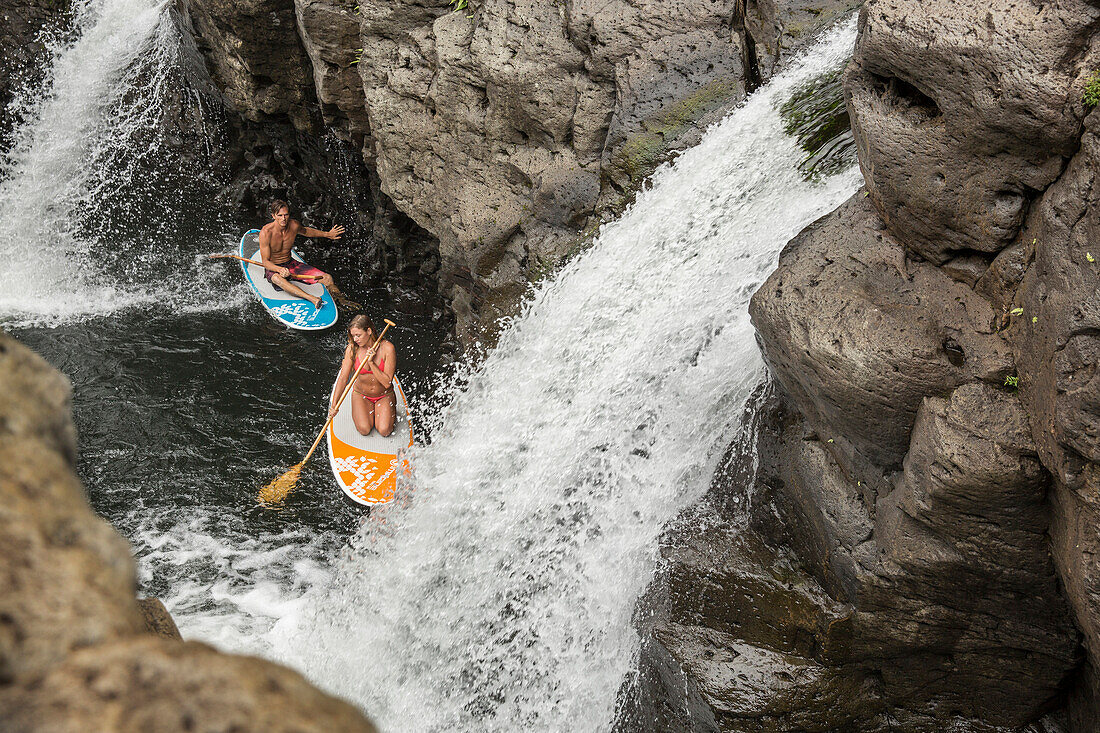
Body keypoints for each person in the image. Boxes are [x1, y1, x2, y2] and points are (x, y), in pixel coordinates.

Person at [258, 199, 345, 309]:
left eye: (286, 215)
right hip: (275, 268)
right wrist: (279, 270)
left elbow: (307, 231)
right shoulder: (266, 233)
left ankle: (341, 301)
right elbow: (265, 262)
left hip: (291, 264)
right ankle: (312, 298)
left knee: (327, 278)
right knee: (276, 279)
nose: (283, 218)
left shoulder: (293, 225)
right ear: (273, 216)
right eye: (279, 215)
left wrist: (327, 234)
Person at [330, 314, 397, 437]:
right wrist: (334, 405)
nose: (355, 339)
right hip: (362, 395)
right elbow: (343, 378)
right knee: (364, 429)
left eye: (358, 335)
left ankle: (388, 411)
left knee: (385, 430)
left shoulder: (388, 348)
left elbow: (387, 383)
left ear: (369, 331)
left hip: (384, 395)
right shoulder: (352, 349)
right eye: (353, 335)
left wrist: (371, 362)